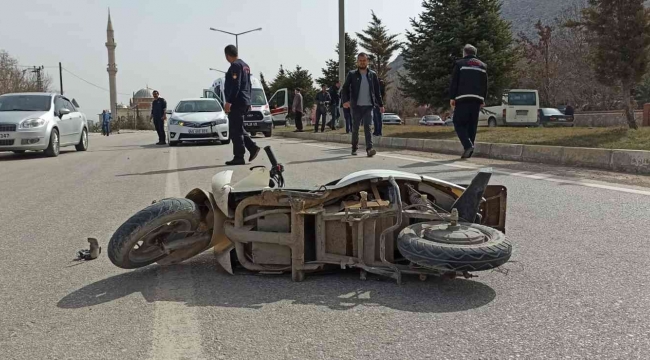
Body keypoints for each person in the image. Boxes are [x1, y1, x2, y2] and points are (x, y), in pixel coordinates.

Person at [223, 44, 260, 166]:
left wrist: (229, 101)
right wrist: (248, 100)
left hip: (237, 102)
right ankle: (252, 147)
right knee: (238, 127)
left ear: (227, 55)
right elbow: (248, 85)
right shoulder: (245, 65)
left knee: (235, 130)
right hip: (244, 100)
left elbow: (236, 85)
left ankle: (239, 156)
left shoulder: (235, 66)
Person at [449, 44, 488, 159]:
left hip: (463, 97)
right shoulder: (482, 66)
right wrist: (483, 99)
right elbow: (485, 84)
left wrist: (452, 97)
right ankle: (469, 148)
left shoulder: (460, 64)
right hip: (477, 99)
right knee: (472, 125)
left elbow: (454, 81)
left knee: (458, 122)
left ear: (464, 53)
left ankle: (468, 145)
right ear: (474, 53)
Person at [341, 53, 384, 157]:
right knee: (355, 127)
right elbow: (344, 88)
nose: (362, 62)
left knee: (368, 127)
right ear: (357, 62)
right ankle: (354, 148)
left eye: (364, 60)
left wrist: (381, 105)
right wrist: (345, 101)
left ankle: (369, 149)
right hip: (356, 106)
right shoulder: (352, 74)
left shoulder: (372, 74)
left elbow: (377, 91)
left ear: (367, 61)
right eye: (360, 60)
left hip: (369, 106)